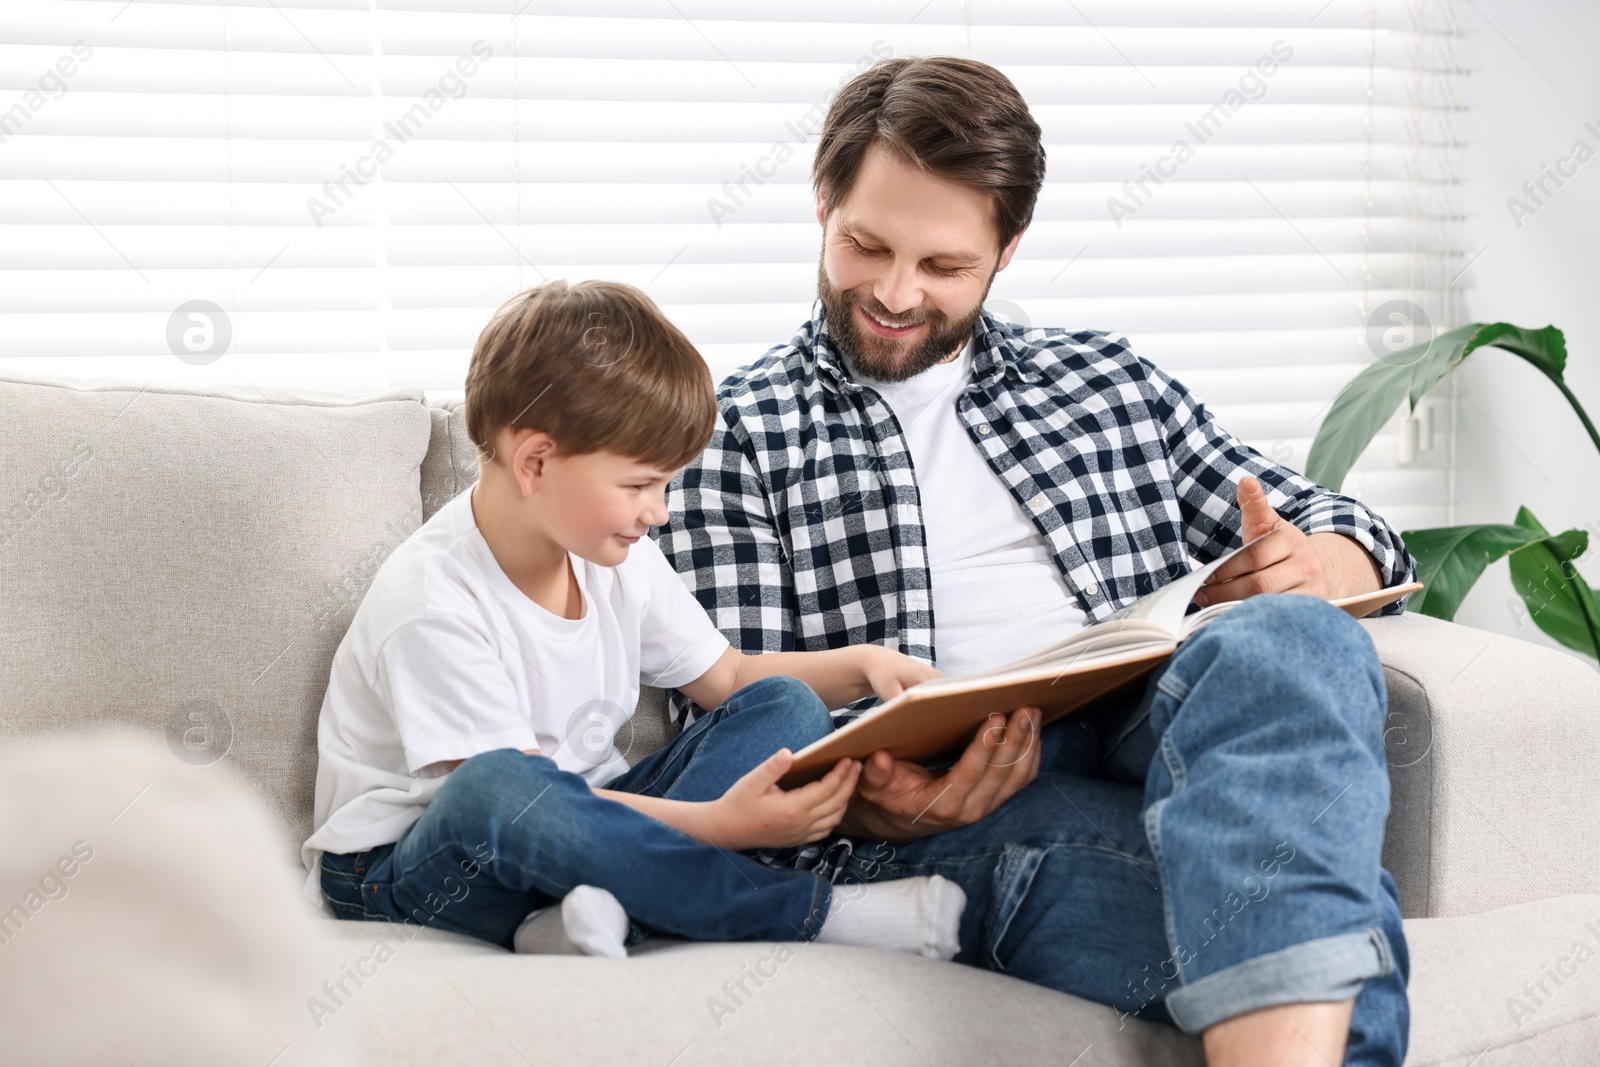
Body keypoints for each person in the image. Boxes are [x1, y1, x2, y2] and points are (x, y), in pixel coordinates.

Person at [656, 56, 1418, 1067]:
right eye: (865, 244)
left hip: (1158, 722)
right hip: (946, 804)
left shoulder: (1105, 381)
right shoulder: (731, 435)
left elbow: (1347, 525)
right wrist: (874, 791)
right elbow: (725, 727)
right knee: (1331, 936)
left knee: (1291, 632)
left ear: (1008, 250)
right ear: (821, 204)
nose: (891, 293)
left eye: (942, 267)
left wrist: (1320, 562)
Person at [299, 279, 976, 962]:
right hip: (408, 865)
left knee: (784, 706)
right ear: (536, 461)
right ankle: (811, 911)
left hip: (588, 820)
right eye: (638, 485)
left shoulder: (617, 556)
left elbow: (730, 677)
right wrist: (718, 825)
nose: (660, 511)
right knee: (499, 786)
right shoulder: (429, 600)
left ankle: (577, 914)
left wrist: (865, 665)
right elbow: (519, 801)